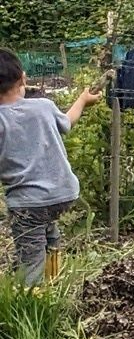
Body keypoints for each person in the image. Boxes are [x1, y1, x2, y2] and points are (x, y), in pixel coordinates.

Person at [0, 50, 100, 285]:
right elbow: (68, 122)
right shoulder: (44, 107)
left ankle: (32, 304)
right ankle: (54, 280)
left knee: (30, 256)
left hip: (28, 203)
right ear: (23, 78)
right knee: (47, 228)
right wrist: (83, 99)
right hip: (63, 194)